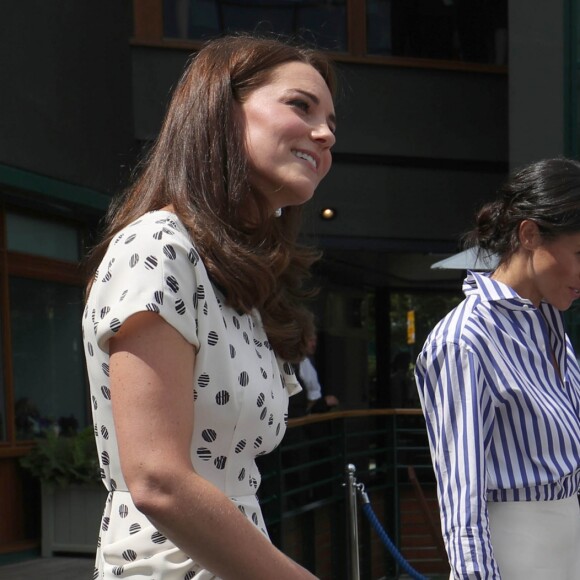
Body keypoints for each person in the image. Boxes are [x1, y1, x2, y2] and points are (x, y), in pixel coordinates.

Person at [82, 34, 336, 579]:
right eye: (301, 105)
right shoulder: (158, 248)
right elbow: (157, 480)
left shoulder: (239, 280)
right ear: (221, 110)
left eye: (332, 122)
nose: (325, 133)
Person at [414, 158, 580, 579]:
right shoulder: (464, 339)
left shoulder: (547, 322)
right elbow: (461, 497)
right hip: (513, 553)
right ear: (529, 234)